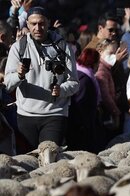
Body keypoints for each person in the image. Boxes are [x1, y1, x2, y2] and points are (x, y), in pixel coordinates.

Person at [3, 7, 78, 150]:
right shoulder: (18, 47)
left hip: (55, 114)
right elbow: (8, 84)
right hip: (25, 115)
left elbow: (74, 82)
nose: (38, 28)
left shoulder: (63, 46)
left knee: (49, 161)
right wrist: (19, 75)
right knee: (27, 163)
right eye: (33, 24)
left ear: (48, 23)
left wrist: (61, 90)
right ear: (27, 25)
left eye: (41, 23)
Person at [68, 48, 104, 152]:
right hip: (81, 128)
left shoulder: (78, 73)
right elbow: (80, 104)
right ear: (94, 62)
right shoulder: (85, 79)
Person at [95, 39, 121, 129]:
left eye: (114, 53)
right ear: (100, 51)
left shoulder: (106, 68)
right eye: (110, 53)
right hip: (106, 111)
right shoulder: (101, 70)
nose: (114, 56)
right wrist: (115, 111)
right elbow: (105, 95)